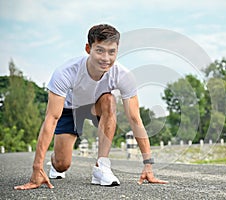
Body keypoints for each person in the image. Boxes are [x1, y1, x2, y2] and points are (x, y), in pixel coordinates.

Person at [14, 24, 167, 190]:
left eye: (111, 51)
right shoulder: (66, 72)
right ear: (88, 48)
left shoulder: (123, 76)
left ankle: (102, 166)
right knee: (62, 165)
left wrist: (148, 165)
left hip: (97, 107)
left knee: (109, 100)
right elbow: (51, 118)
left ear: (117, 50)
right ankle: (55, 161)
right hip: (70, 110)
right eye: (100, 50)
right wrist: (37, 168)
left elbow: (135, 119)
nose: (106, 58)